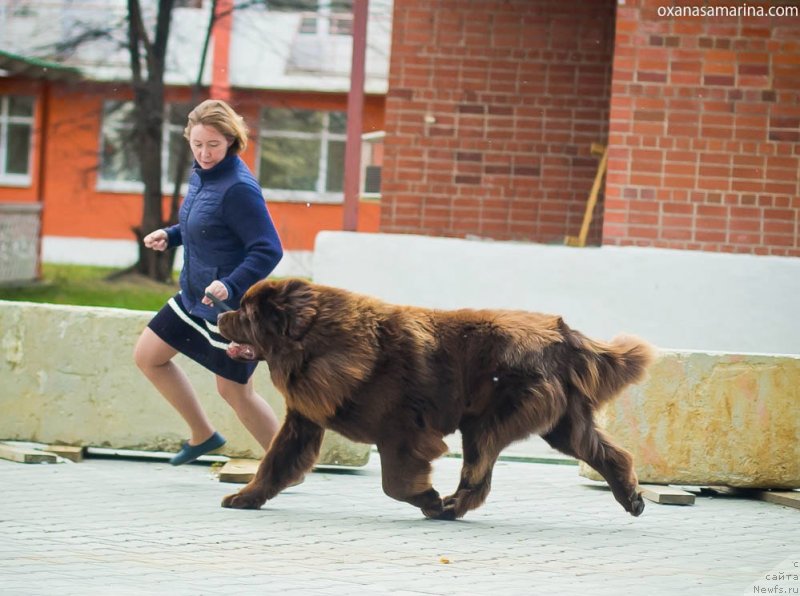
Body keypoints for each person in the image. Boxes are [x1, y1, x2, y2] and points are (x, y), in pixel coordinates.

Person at [134, 99, 283, 466]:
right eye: (197, 144)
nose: (204, 153)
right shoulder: (202, 173)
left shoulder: (239, 188)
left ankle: (285, 466)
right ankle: (202, 435)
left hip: (229, 308)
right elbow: (206, 223)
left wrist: (230, 285)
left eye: (213, 145)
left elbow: (268, 249)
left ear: (231, 140)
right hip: (194, 295)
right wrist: (171, 235)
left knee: (235, 391)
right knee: (149, 357)